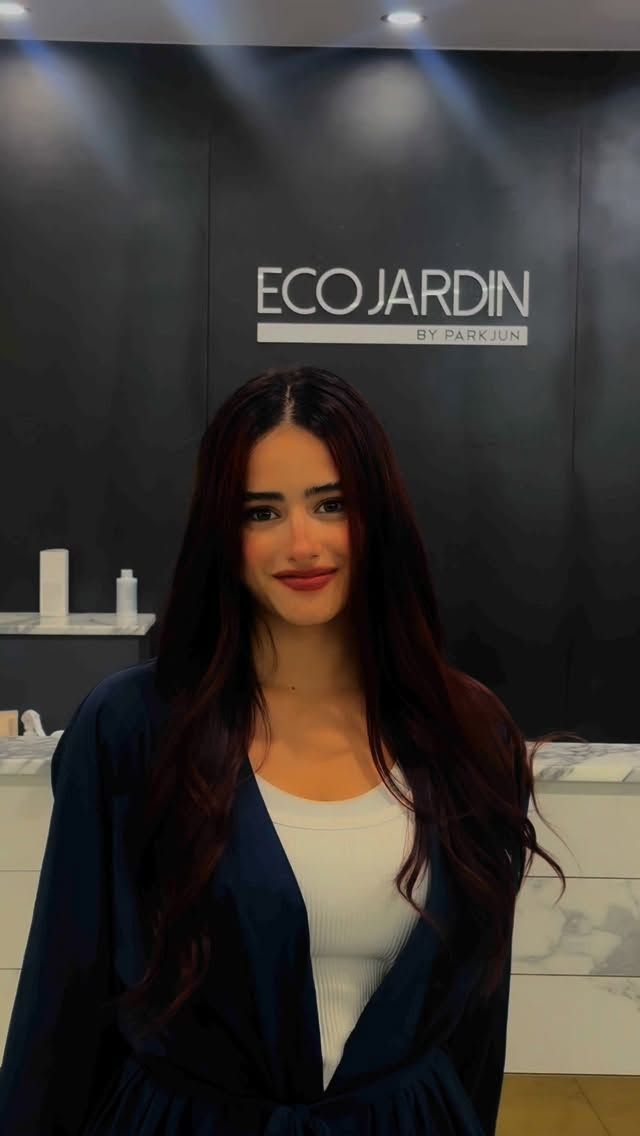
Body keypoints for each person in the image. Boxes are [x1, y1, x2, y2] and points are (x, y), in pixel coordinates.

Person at [0, 366, 575, 1135]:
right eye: (261, 512)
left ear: (379, 515)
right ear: (222, 534)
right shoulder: (134, 727)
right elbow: (61, 1001)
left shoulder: (468, 732)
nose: (302, 543)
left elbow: (475, 1025)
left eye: (332, 504)